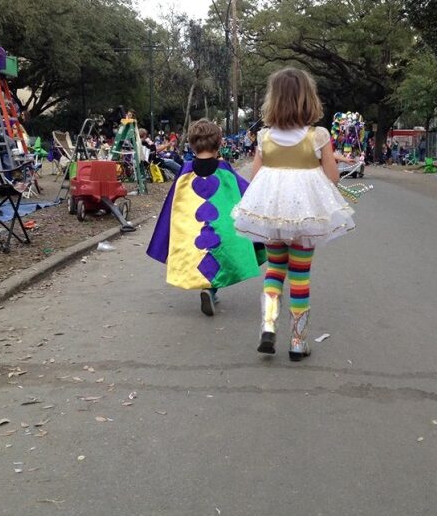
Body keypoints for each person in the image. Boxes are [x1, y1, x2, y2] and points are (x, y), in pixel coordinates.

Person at [232, 68, 355, 361]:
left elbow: (257, 176)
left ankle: (268, 325)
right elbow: (333, 176)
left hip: (273, 217)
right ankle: (298, 341)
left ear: (273, 100)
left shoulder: (264, 137)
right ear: (307, 99)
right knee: (300, 275)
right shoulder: (318, 135)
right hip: (305, 219)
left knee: (274, 270)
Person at [147, 119, 265, 317]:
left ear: (192, 144)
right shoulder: (224, 170)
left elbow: (172, 205)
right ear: (219, 144)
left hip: (193, 230)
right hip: (222, 230)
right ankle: (210, 289)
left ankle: (208, 289)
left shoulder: (185, 171)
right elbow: (245, 193)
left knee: (202, 254)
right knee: (218, 254)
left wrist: (168, 234)